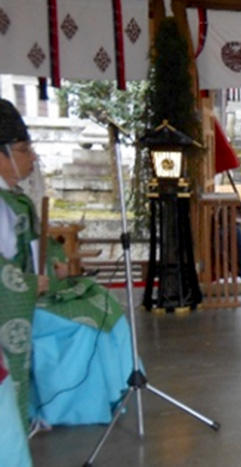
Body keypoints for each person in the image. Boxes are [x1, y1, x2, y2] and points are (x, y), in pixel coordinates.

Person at [0, 98, 133, 430]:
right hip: (12, 306)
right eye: (23, 149)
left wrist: (57, 265)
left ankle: (117, 392)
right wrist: (33, 284)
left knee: (104, 305)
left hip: (31, 293)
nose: (32, 158)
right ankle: (64, 406)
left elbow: (35, 248)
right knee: (86, 323)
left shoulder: (13, 199)